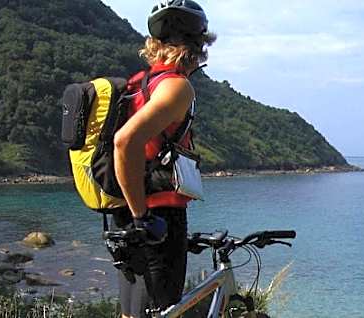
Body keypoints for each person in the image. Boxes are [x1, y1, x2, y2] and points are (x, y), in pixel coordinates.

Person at [111, 1, 216, 317]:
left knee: (134, 312)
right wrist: (144, 216)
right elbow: (124, 142)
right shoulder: (177, 87)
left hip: (125, 210)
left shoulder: (138, 84)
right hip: (156, 216)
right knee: (164, 310)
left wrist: (135, 213)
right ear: (198, 45)